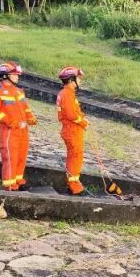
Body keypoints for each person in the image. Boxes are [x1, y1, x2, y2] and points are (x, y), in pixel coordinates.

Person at [0, 61, 37, 191]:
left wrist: (30, 118)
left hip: (22, 130)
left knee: (21, 156)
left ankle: (19, 181)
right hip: (9, 131)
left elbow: (25, 107)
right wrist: (11, 122)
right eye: (14, 74)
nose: (17, 77)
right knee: (10, 157)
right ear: (5, 76)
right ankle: (9, 184)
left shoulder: (18, 91)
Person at [56, 66, 92, 197]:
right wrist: (83, 122)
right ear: (71, 80)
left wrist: (84, 118)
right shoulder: (67, 94)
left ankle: (72, 185)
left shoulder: (67, 93)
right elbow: (71, 115)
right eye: (78, 78)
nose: (80, 81)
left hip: (72, 130)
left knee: (74, 157)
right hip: (72, 130)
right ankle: (74, 187)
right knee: (76, 158)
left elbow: (75, 111)